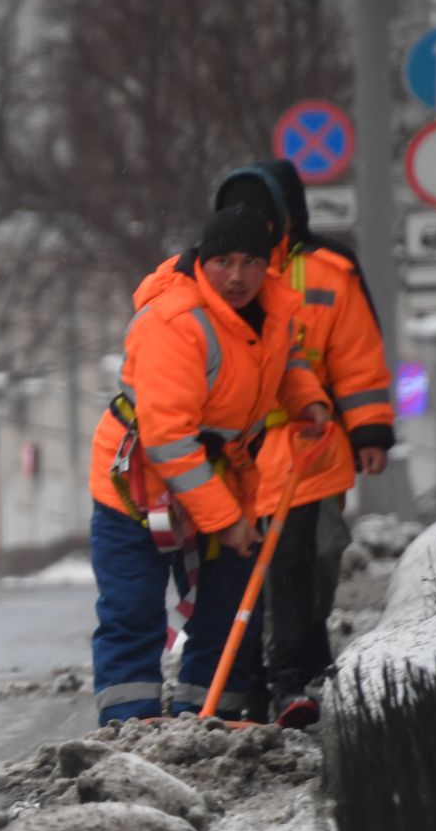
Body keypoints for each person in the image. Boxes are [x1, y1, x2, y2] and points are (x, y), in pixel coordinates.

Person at [87, 205, 330, 725]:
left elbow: (281, 363)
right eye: (223, 261)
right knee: (133, 607)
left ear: (267, 265)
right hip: (141, 487)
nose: (237, 276)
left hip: (226, 477)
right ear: (202, 262)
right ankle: (129, 724)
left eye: (249, 262)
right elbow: (169, 440)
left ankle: (211, 717)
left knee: (226, 609)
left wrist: (307, 399)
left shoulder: (272, 310)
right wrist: (227, 520)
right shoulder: (175, 323)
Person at [213, 160, 395, 728]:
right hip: (242, 451)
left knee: (316, 557)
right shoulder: (229, 274)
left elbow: (357, 358)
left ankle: (302, 661)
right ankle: (280, 676)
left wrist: (369, 429)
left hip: (313, 448)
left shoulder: (330, 272)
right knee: (268, 568)